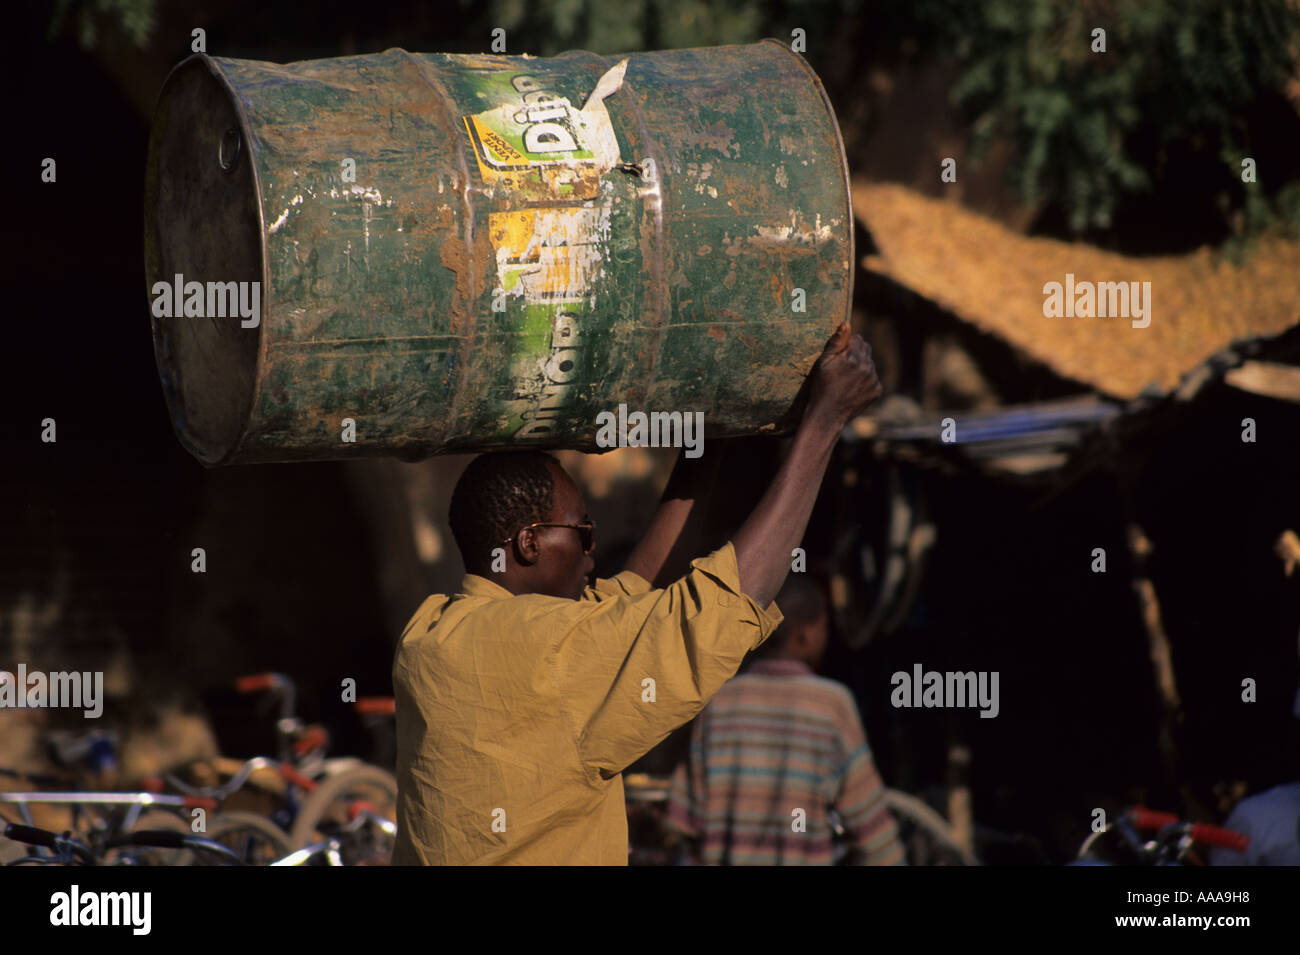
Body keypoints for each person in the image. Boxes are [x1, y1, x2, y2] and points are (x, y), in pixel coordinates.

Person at [391, 321, 881, 864]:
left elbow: (629, 595)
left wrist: (707, 443)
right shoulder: (548, 651)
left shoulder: (431, 632)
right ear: (528, 543)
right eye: (583, 534)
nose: (592, 554)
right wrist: (824, 423)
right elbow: (713, 610)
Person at [665, 575, 905, 865]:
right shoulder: (831, 705)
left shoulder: (719, 702)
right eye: (823, 625)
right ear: (805, 635)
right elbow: (870, 826)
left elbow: (682, 819)